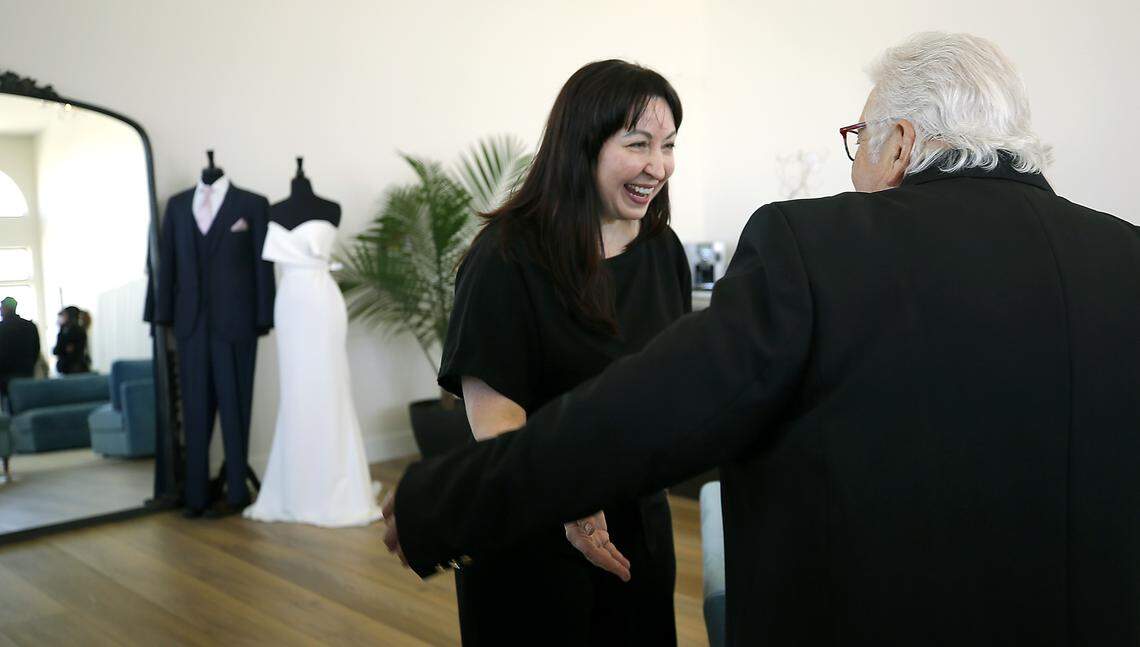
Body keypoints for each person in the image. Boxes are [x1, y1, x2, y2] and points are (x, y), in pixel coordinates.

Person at [384, 32, 1140, 646]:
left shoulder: (814, 246)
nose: (855, 166)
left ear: (901, 144)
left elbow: (661, 404)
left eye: (859, 139)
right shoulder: (1125, 255)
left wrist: (444, 502)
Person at [432, 60, 691, 645]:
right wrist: (569, 500)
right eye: (638, 144)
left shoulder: (662, 249)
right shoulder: (504, 258)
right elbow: (496, 420)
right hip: (531, 528)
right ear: (582, 145)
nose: (658, 165)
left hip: (637, 528)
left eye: (669, 145)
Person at [0, 296, 40, 408]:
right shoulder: (30, 326)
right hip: (26, 371)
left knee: (8, 406)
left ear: (5, 308)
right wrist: (30, 364)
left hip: (4, 374)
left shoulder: (1, 328)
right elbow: (36, 349)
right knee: (27, 402)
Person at [52, 305, 90, 374]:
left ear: (69, 316)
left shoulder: (74, 331)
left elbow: (59, 350)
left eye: (63, 315)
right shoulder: (65, 330)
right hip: (71, 368)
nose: (61, 318)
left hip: (73, 369)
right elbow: (57, 350)